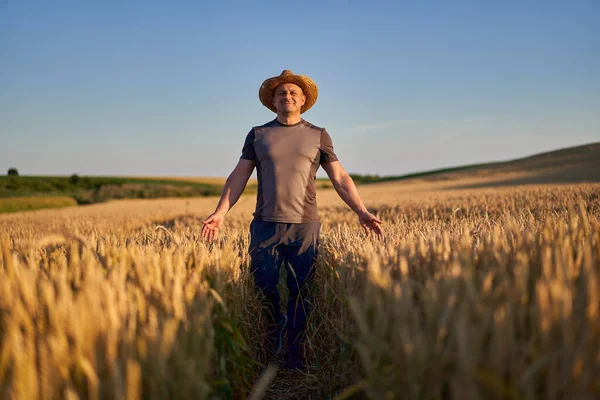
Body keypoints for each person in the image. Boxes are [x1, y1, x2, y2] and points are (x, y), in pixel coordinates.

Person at [201, 70, 383, 371]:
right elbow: (239, 176)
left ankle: (296, 351)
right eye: (281, 93)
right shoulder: (258, 134)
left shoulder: (318, 134)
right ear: (273, 101)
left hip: (304, 227)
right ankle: (273, 339)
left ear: (303, 100)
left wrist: (361, 211)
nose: (287, 96)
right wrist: (220, 212)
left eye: (293, 93)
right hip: (265, 226)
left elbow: (339, 177)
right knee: (265, 288)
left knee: (302, 292)